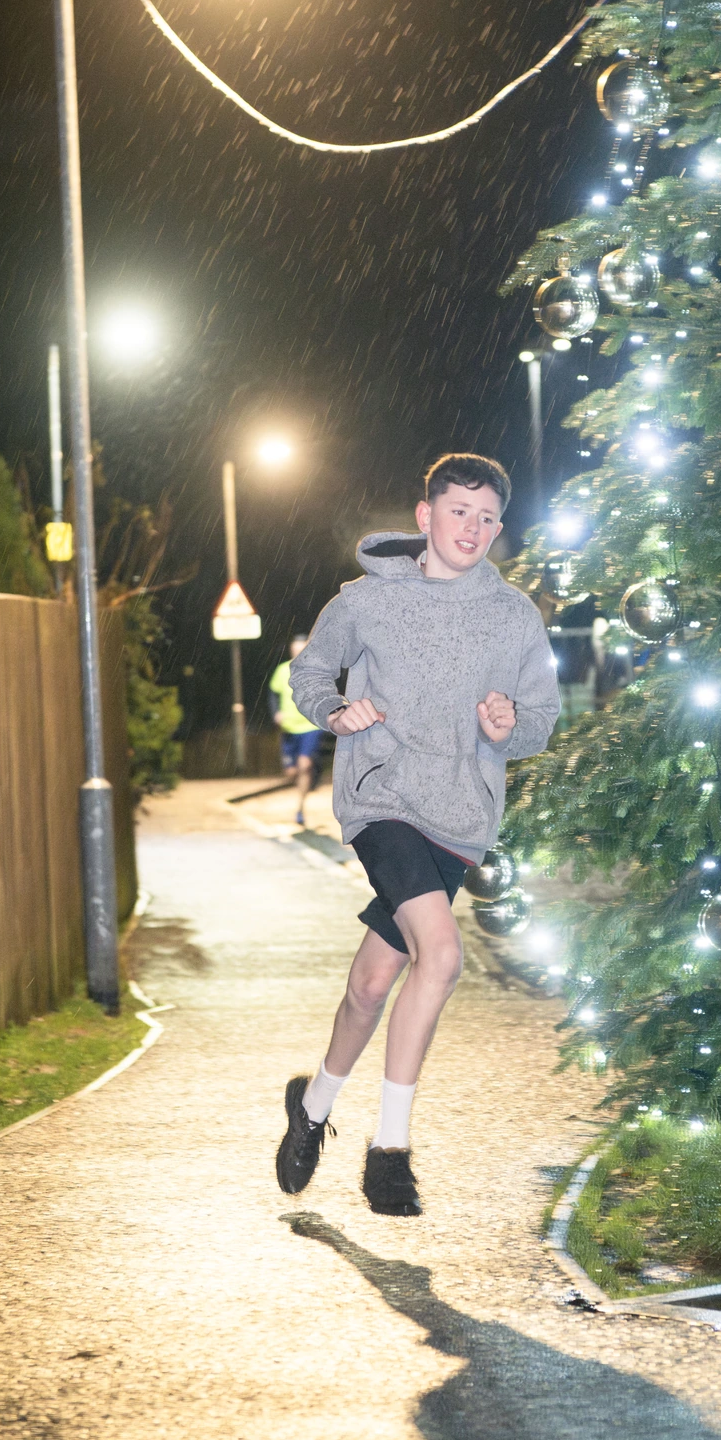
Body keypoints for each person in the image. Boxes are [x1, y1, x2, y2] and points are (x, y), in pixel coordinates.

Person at [275, 453, 560, 1216]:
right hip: (385, 799)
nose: (472, 527)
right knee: (441, 954)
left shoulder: (513, 616)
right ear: (424, 515)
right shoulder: (366, 602)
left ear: (499, 527)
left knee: (372, 985)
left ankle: (312, 1107)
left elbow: (538, 718)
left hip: (461, 820)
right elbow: (312, 673)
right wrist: (337, 713)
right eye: (457, 511)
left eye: (486, 516)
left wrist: (511, 724)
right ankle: (389, 1151)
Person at [268, 632, 323, 827]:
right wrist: (276, 713)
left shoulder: (316, 670)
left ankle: (300, 809)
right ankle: (311, 776)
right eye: (295, 650)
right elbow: (273, 694)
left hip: (310, 726)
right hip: (289, 728)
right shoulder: (283, 670)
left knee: (304, 765)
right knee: (291, 772)